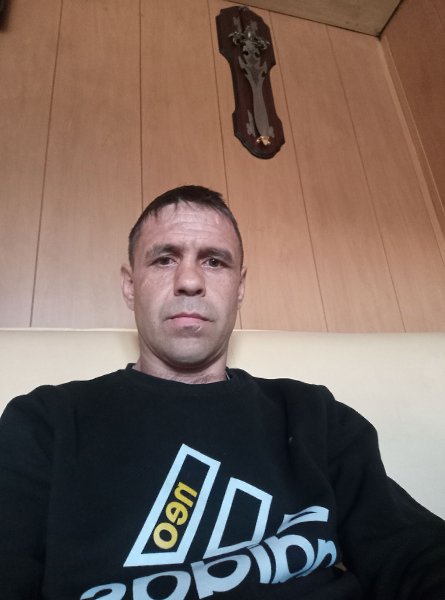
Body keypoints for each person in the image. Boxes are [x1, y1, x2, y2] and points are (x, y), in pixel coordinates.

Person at [0, 185, 444, 600]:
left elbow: (412, 550)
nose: (190, 281)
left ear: (240, 288)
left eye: (214, 261)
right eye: (164, 260)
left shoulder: (313, 415)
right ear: (130, 286)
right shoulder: (46, 421)